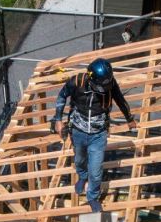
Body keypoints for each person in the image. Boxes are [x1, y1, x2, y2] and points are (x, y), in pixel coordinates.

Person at [52, 58, 136, 213]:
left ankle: (92, 197)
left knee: (96, 171)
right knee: (79, 160)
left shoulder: (109, 85)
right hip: (78, 131)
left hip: (98, 135)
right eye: (101, 87)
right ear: (91, 79)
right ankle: (82, 177)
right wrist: (58, 120)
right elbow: (62, 96)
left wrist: (129, 119)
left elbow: (121, 101)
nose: (104, 90)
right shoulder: (77, 82)